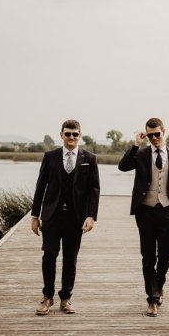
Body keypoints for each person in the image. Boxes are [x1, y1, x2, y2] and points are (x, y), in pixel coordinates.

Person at [31, 119, 100, 315]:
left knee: (71, 258)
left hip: (76, 217)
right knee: (49, 256)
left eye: (75, 134)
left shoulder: (89, 158)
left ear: (80, 135)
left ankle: (66, 298)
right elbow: (40, 187)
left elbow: (94, 190)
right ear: (61, 135)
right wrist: (35, 215)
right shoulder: (50, 156)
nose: (71, 137)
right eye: (68, 134)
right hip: (51, 215)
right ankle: (47, 297)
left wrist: (91, 216)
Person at [118, 117, 169, 317]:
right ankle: (152, 299)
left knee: (166, 255)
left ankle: (159, 284)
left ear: (164, 131)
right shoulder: (141, 154)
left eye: (157, 134)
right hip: (145, 211)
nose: (154, 138)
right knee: (148, 257)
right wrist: (135, 144)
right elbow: (122, 166)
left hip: (167, 211)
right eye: (150, 135)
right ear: (146, 135)